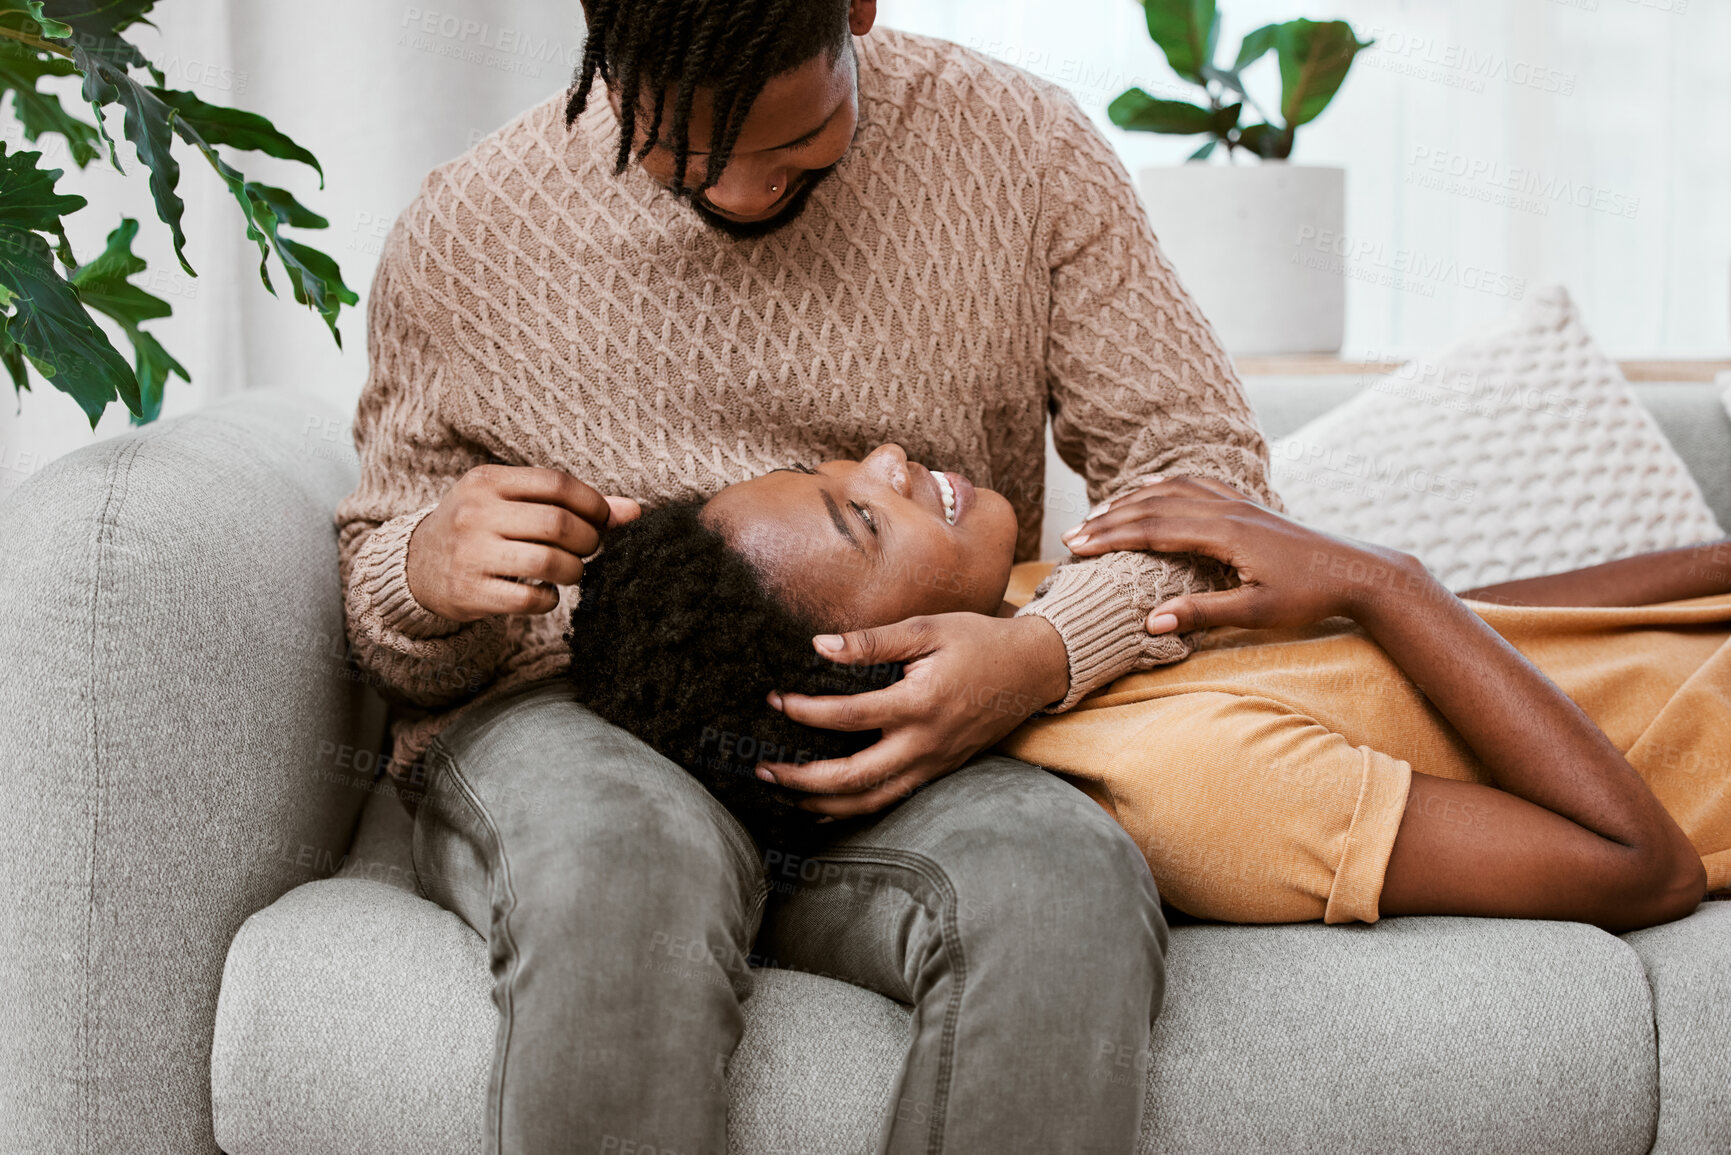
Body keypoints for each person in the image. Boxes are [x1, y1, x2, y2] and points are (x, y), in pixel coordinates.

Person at [333, 0, 1280, 1151]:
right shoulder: (468, 232)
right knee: (625, 863)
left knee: (1060, 879)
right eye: (681, 146)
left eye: (794, 139)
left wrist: (1045, 651)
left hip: (892, 726)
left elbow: (1205, 471)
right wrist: (424, 572)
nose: (739, 192)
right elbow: (387, 619)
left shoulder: (1017, 145)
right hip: (576, 717)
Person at [568, 447, 1731, 934]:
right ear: (878, 675)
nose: (885, 458)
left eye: (822, 466)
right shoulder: (1186, 787)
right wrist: (1385, 582)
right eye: (864, 520)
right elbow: (1646, 871)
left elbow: (1493, 637)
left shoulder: (1036, 618)